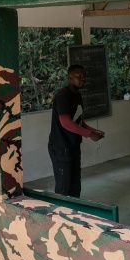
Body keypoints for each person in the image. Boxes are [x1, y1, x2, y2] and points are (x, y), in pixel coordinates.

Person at [48, 64, 105, 197]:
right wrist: (90, 134)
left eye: (84, 76)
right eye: (78, 76)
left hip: (72, 146)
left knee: (75, 185)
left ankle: (73, 213)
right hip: (61, 148)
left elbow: (78, 121)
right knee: (63, 187)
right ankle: (60, 215)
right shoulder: (63, 96)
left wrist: (94, 130)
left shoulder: (77, 95)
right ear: (69, 77)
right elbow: (66, 123)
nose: (82, 79)